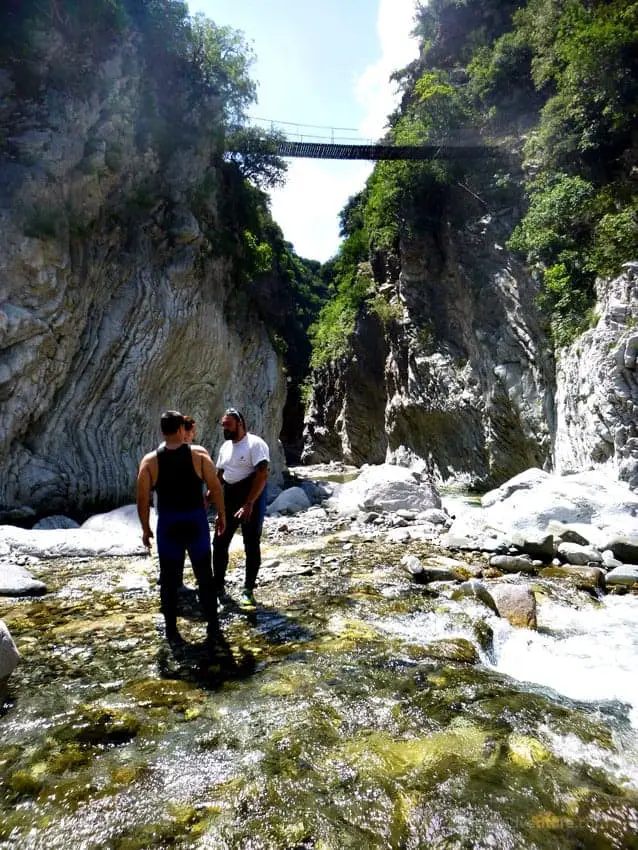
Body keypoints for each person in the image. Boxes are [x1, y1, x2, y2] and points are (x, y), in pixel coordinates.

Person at [137, 410, 225, 644]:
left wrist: (145, 529)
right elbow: (215, 488)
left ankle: (171, 631)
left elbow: (142, 498)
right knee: (204, 575)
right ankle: (213, 627)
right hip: (195, 523)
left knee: (169, 579)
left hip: (168, 525)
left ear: (163, 432)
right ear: (180, 430)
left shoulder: (150, 461)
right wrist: (222, 516)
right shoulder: (198, 455)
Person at [212, 408, 269, 608]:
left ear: (239, 424)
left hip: (251, 495)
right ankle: (218, 586)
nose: (224, 428)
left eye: (228, 424)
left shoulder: (255, 444)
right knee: (219, 541)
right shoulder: (225, 447)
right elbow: (219, 476)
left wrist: (249, 504)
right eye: (223, 425)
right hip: (229, 496)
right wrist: (211, 495)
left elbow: (262, 475)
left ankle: (248, 590)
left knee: (251, 543)